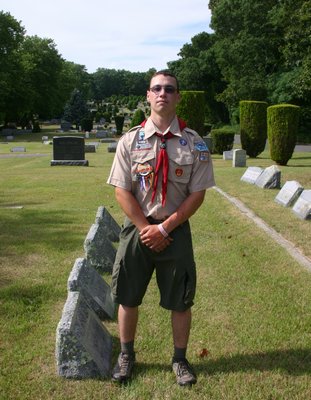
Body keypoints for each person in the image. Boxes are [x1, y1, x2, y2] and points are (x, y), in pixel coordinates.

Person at [107, 70, 215, 386]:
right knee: (128, 295)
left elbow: (198, 193)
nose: (163, 93)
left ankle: (180, 360)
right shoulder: (130, 141)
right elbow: (121, 190)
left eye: (169, 89)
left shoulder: (194, 144)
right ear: (148, 95)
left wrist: (166, 228)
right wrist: (145, 227)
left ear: (178, 96)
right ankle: (126, 355)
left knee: (180, 298)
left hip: (175, 230)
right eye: (157, 88)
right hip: (137, 230)